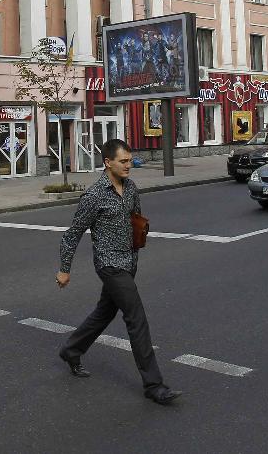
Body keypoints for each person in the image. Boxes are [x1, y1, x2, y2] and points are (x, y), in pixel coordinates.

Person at [55, 139, 182, 405]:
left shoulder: (132, 188)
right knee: (136, 317)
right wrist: (64, 269)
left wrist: (139, 238)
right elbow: (72, 234)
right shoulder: (94, 196)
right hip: (109, 264)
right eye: (123, 161)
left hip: (129, 262)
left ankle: (71, 350)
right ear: (108, 163)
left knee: (105, 312)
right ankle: (154, 385)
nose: (129, 165)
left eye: (130, 160)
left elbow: (136, 218)